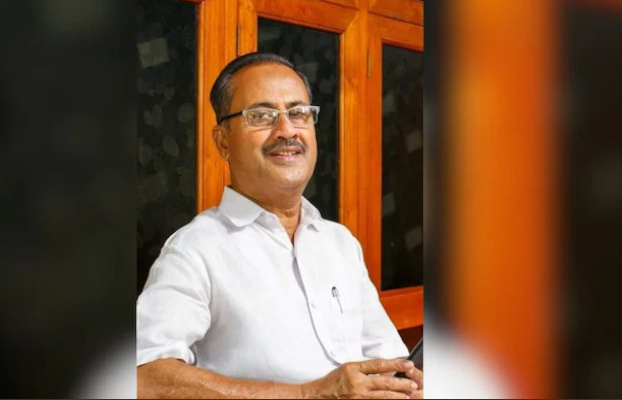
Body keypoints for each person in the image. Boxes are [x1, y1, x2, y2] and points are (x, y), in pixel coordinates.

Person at [136, 52, 423, 399]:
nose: (286, 130)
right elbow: (144, 377)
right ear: (223, 141)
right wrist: (307, 395)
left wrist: (408, 385)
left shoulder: (340, 242)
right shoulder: (194, 250)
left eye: (298, 113)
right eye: (261, 116)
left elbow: (387, 358)